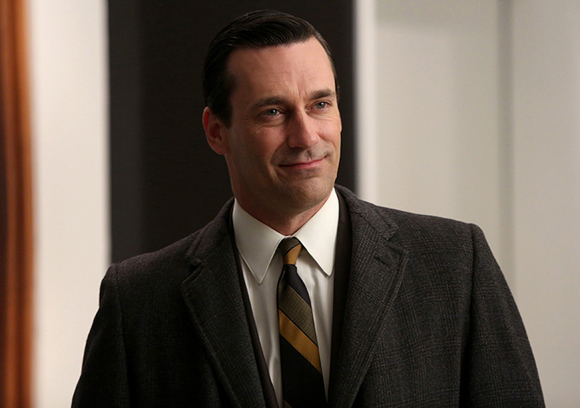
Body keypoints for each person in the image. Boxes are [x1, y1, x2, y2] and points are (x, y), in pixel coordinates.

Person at [72, 10, 544, 408]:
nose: (305, 136)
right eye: (273, 112)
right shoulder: (139, 302)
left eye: (320, 104)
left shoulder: (456, 264)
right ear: (216, 131)